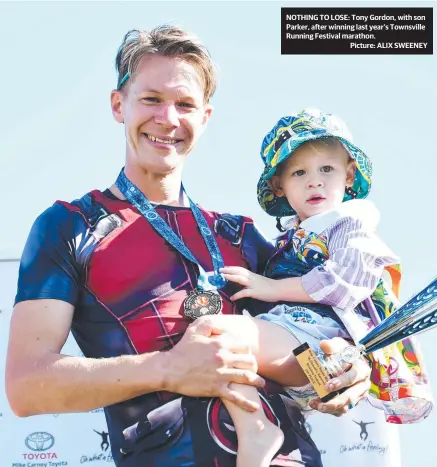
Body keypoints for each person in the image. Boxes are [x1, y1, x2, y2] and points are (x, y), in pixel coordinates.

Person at [5, 26, 372, 467]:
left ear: (206, 117)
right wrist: (168, 368)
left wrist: (342, 369)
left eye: (185, 104)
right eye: (152, 99)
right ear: (118, 105)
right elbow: (26, 386)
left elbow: (304, 344)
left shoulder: (243, 235)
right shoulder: (70, 226)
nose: (168, 119)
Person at [210, 108, 432, 465]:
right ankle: (261, 424)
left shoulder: (350, 224)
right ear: (280, 186)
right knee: (218, 347)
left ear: (348, 176)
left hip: (322, 336)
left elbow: (342, 285)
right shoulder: (295, 237)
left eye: (326, 169)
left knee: (217, 334)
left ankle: (258, 429)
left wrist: (271, 287)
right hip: (304, 350)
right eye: (299, 172)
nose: (314, 181)